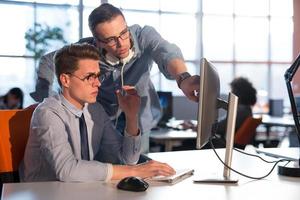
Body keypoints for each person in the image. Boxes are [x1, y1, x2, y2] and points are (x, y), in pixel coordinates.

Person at [30, 3, 200, 153]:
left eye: (123, 33)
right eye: (111, 40)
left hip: (139, 118)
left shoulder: (144, 36)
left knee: (138, 167)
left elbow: (167, 52)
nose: (122, 44)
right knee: (106, 171)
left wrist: (183, 78)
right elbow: (47, 61)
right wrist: (50, 100)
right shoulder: (87, 50)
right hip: (102, 122)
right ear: (98, 42)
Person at [20, 43, 175, 182]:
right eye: (90, 77)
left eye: (98, 75)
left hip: (80, 191)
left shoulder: (94, 110)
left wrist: (131, 116)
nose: (98, 83)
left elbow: (127, 159)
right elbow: (67, 171)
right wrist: (134, 171)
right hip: (43, 193)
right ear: (65, 80)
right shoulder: (47, 113)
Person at [216, 77, 257, 143]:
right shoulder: (246, 109)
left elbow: (219, 128)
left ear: (237, 93)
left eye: (232, 90)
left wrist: (201, 127)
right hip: (232, 145)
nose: (231, 93)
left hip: (225, 145)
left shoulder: (241, 111)